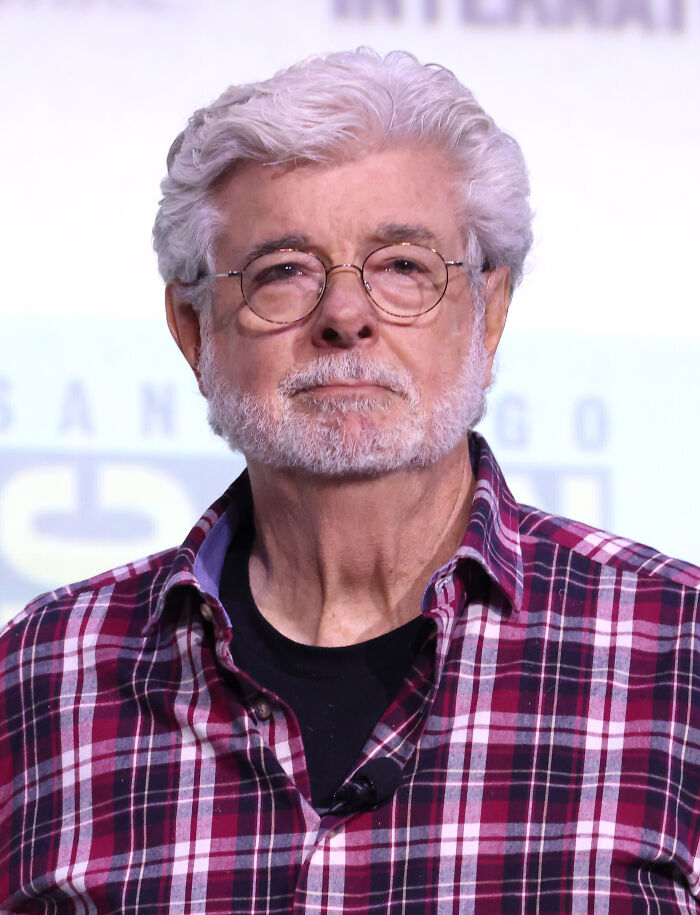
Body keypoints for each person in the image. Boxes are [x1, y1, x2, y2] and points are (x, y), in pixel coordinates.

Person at [1, 48, 699, 915]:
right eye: (283, 270)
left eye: (404, 265)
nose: (345, 315)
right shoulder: (38, 672)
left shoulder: (681, 650)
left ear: (490, 312)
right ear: (193, 329)